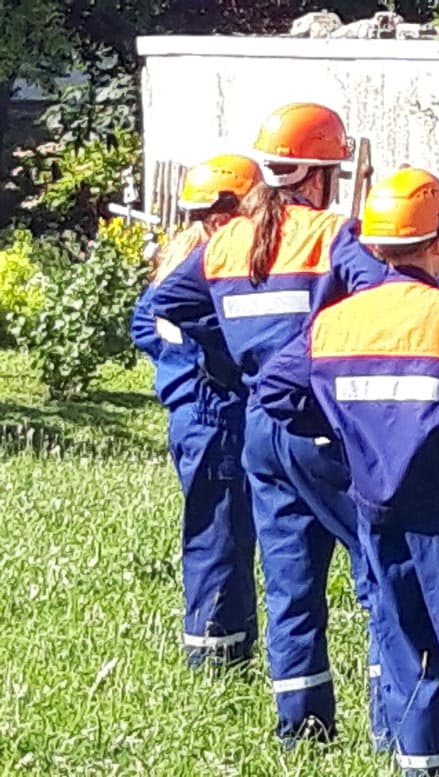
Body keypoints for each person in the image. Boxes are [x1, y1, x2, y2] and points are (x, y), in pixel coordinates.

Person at [258, 168, 439, 776]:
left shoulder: (336, 321)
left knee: (407, 654)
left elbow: (275, 389)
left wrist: (342, 432)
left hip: (374, 511)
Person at [150, 102, 391, 747]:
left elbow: (162, 307)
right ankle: (391, 725)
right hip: (324, 429)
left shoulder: (225, 241)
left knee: (289, 587)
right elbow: (385, 300)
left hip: (261, 427)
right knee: (377, 572)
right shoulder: (335, 234)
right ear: (318, 175)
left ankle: (302, 730)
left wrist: (234, 349)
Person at [130, 154, 259, 669]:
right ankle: (216, 658)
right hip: (214, 417)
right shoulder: (214, 269)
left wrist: (180, 366)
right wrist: (213, 368)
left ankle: (221, 647)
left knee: (221, 533)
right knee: (220, 537)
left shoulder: (176, 264)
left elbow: (146, 327)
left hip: (195, 413)